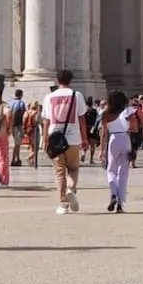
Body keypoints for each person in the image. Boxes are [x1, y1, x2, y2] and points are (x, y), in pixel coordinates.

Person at [41, 69, 89, 215]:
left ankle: (63, 204)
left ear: (57, 80)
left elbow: (46, 121)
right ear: (70, 80)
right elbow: (82, 120)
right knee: (73, 168)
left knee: (59, 172)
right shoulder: (77, 95)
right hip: (73, 138)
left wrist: (44, 140)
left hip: (55, 139)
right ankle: (71, 189)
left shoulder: (49, 97)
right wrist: (85, 139)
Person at [99, 90, 140, 213]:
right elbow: (134, 128)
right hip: (125, 139)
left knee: (111, 169)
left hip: (113, 140)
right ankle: (121, 203)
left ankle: (113, 194)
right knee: (123, 172)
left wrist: (101, 149)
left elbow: (103, 133)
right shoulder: (128, 112)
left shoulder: (106, 114)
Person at [9, 88, 27, 167]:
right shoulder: (21, 103)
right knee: (17, 144)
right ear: (21, 95)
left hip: (11, 125)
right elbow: (24, 115)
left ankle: (18, 159)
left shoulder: (10, 103)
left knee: (18, 143)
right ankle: (13, 160)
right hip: (18, 125)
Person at [83, 96, 100, 165]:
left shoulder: (84, 111)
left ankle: (84, 153)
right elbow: (97, 120)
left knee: (85, 143)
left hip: (85, 128)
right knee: (92, 145)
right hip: (92, 128)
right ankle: (91, 159)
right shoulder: (95, 111)